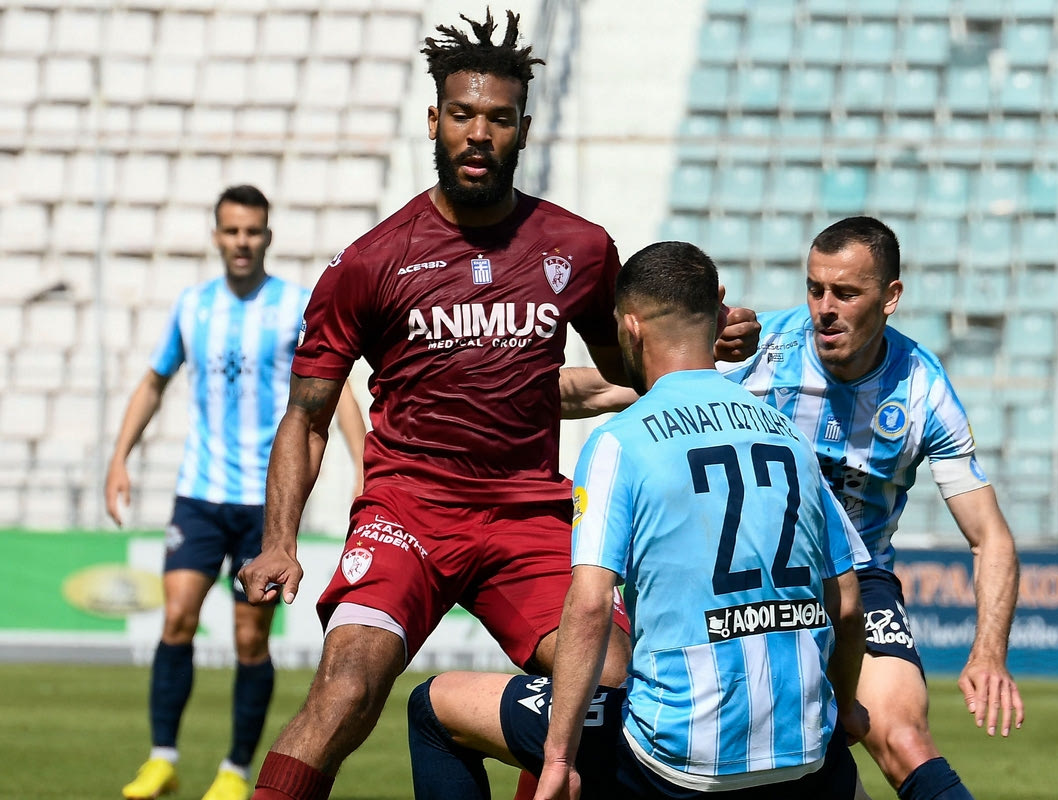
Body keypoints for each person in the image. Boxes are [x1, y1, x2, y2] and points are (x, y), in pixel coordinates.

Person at [234, 12, 759, 800]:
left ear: (523, 130)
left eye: (499, 118)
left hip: (527, 512)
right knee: (345, 689)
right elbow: (306, 417)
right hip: (408, 511)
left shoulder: (579, 248)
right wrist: (279, 541)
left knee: (607, 686)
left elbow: (634, 372)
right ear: (434, 121)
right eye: (462, 114)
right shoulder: (370, 263)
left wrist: (704, 342)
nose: (478, 133)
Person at [562, 217, 1024, 800]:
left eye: (846, 293)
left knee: (901, 738)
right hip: (747, 579)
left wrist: (988, 653)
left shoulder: (923, 389)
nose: (824, 309)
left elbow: (990, 536)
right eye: (815, 289)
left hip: (857, 579)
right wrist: (495, 391)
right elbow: (618, 388)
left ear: (891, 297)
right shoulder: (763, 352)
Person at [406, 239, 869, 800]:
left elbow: (591, 604)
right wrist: (846, 709)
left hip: (679, 762)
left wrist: (558, 758)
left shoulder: (620, 441)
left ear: (631, 327)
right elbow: (847, 602)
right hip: (804, 751)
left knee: (433, 708)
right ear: (714, 316)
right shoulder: (788, 436)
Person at [107, 185, 366, 800]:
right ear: (217, 236)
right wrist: (119, 458)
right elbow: (153, 382)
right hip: (199, 493)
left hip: (265, 502)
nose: (242, 241)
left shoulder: (295, 306)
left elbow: (336, 389)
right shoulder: (193, 306)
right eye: (232, 231)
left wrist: (365, 464)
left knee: (250, 639)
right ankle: (162, 759)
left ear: (267, 236)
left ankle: (234, 769)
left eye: (252, 231)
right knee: (177, 617)